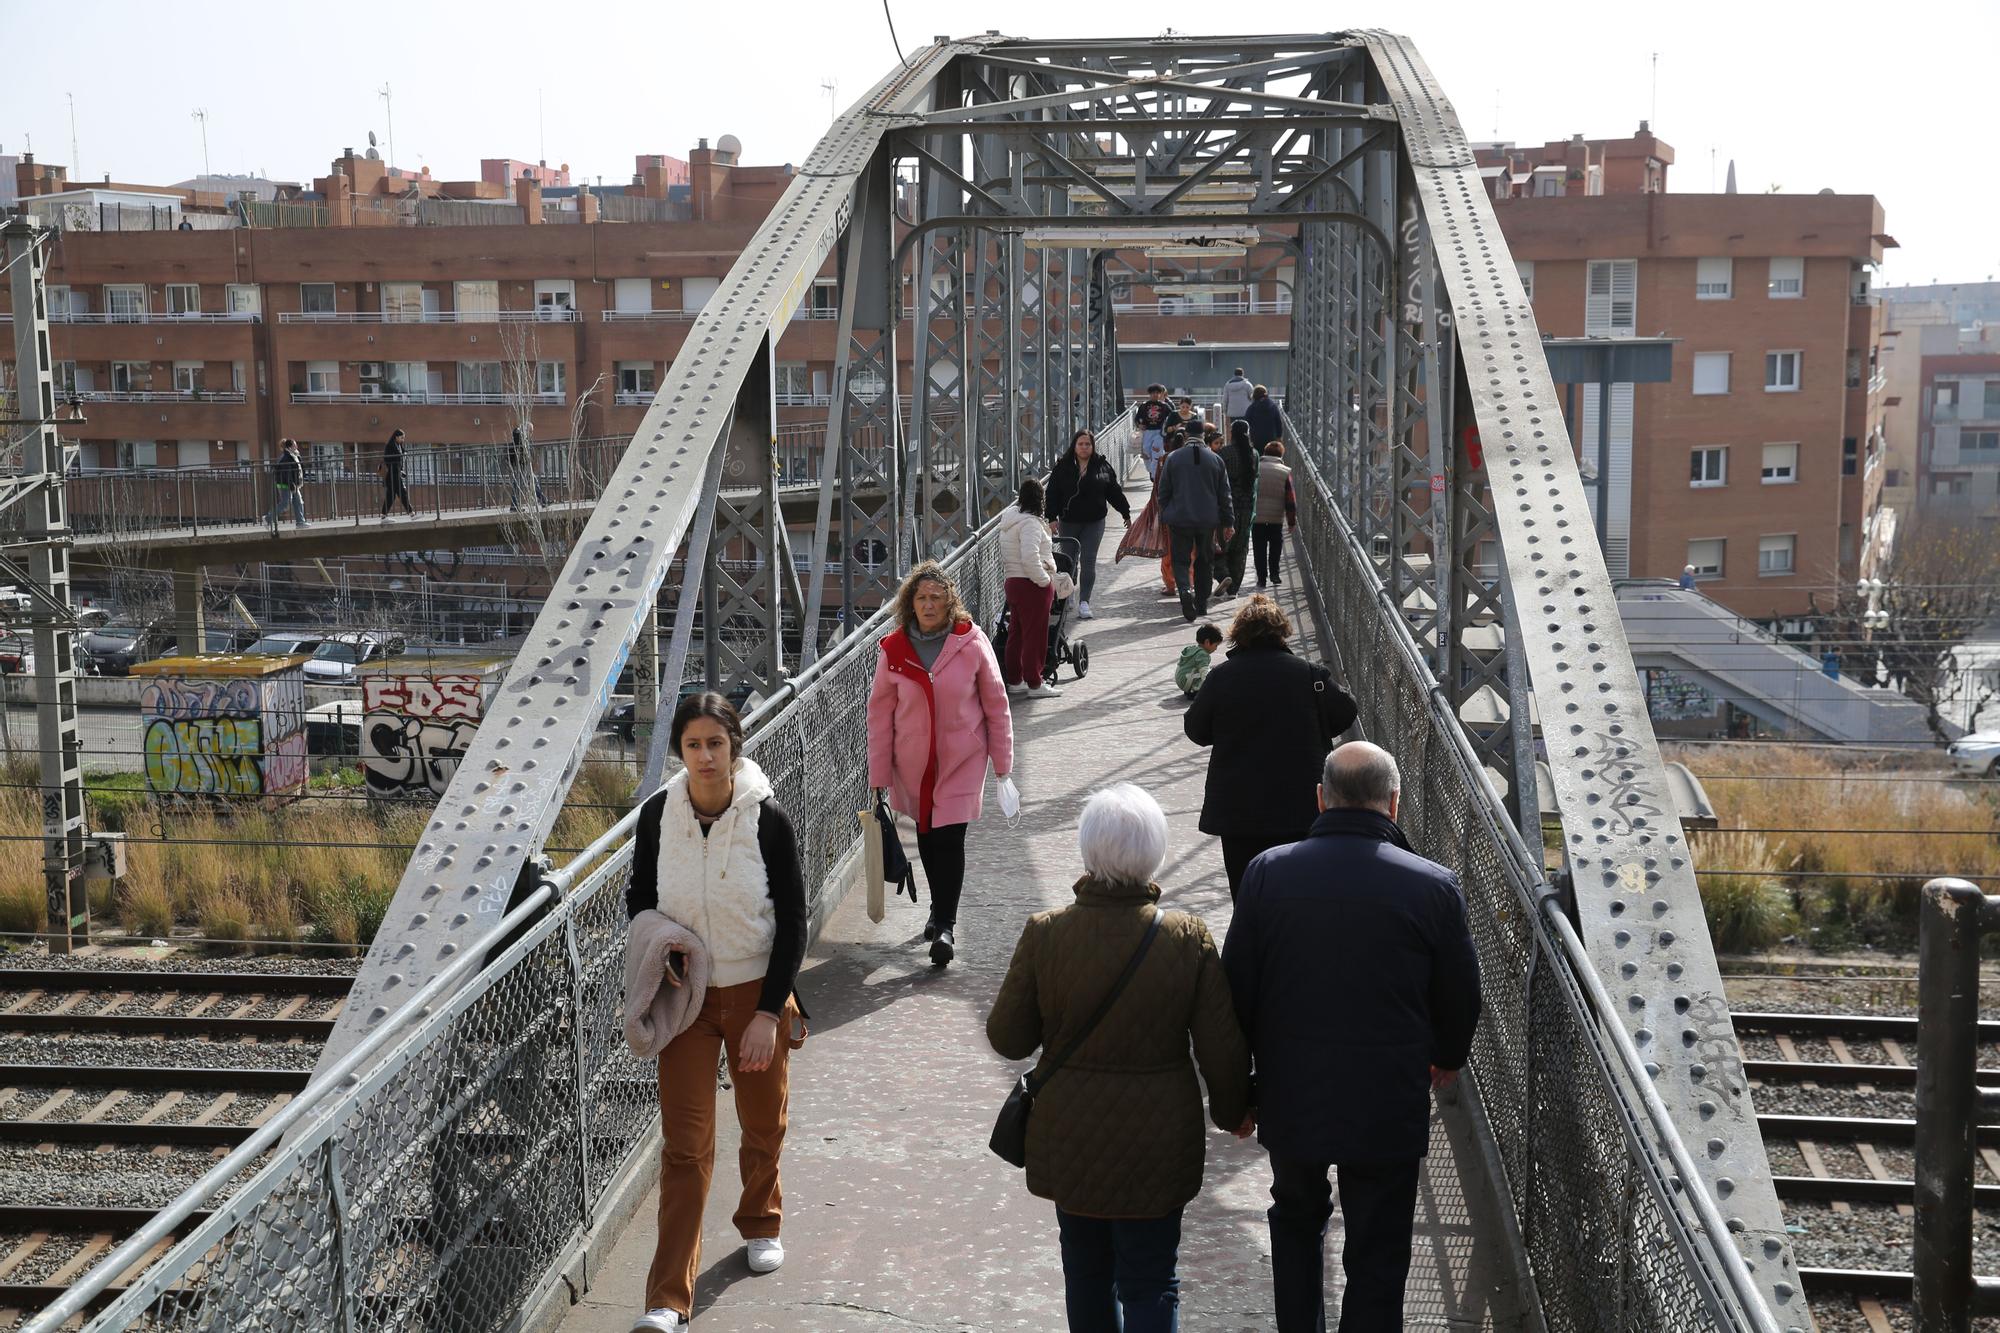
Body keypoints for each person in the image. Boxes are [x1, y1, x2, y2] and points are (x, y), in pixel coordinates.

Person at [1221, 742, 1481, 1333]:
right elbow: (1460, 991)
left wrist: (1237, 1092)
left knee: (1295, 1217)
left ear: (1320, 798)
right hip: (1387, 1096)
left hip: (1292, 1091)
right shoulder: (1435, 885)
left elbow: (1234, 991)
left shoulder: (1266, 873)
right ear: (1394, 803)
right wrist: (1445, 1055)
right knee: (1380, 1243)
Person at [987, 782, 1252, 1333]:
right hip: (1159, 1139)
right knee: (1153, 1279)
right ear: (1155, 852)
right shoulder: (1187, 938)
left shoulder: (1046, 933)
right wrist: (1233, 1112)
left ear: (1087, 850)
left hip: (1071, 1135)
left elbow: (1009, 1039)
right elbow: (1220, 1050)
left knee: (1086, 1273)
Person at [625, 693, 810, 1333]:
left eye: (716, 744)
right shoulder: (657, 818)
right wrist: (662, 952)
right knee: (686, 1146)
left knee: (762, 1122)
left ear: (735, 747)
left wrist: (767, 1012)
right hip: (689, 1000)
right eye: (693, 745)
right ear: (680, 749)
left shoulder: (768, 820)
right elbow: (640, 899)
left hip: (757, 993)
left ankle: (760, 1221)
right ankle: (668, 1297)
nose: (705, 757)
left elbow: (793, 922)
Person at [867, 561, 1015, 967]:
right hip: (913, 767)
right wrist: (879, 775)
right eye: (921, 598)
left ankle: (946, 924)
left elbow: (996, 705)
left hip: (962, 762)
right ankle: (937, 909)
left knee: (950, 839)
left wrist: (1003, 766)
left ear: (950, 601)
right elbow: (879, 715)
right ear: (909, 604)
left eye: (936, 597)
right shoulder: (893, 651)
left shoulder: (971, 642)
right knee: (929, 840)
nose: (929, 605)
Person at [1184, 595, 1357, 897]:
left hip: (1239, 813)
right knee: (1299, 896)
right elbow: (1345, 711)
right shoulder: (1310, 675)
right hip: (1301, 809)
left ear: (1238, 634)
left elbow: (1196, 730)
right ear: (1282, 631)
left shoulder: (1221, 678)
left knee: (1247, 895)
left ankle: (1251, 942)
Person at [1046, 427, 1131, 621]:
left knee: (1089, 560)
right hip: (1069, 521)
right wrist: (1051, 517)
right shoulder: (1062, 467)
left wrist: (1125, 513)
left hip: (1094, 521)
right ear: (1074, 447)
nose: (1084, 448)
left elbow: (1114, 492)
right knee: (1068, 561)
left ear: (1092, 446)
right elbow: (1051, 493)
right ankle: (1068, 594)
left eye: (1088, 444)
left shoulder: (1102, 466)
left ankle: (1085, 602)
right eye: (1081, 444)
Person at [1157, 421, 1234, 624]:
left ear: (1187, 433)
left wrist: (1166, 512)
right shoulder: (1216, 460)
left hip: (1180, 518)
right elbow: (1225, 495)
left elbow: (1163, 491)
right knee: (1204, 561)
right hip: (1208, 520)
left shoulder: (1173, 458)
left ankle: (1184, 589)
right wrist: (1228, 522)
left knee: (1180, 559)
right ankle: (1201, 604)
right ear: (1203, 435)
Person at [998, 477, 1063, 699]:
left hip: (1013, 581)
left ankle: (1015, 680)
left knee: (1016, 634)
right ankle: (1035, 683)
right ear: (1040, 500)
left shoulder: (1009, 521)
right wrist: (1045, 581)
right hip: (1031, 584)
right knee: (1035, 636)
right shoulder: (1031, 524)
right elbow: (1029, 556)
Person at [1213, 422, 1260, 600]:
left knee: (1220, 545)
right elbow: (1256, 481)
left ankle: (1223, 574)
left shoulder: (1224, 453)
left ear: (1231, 433)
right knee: (1240, 548)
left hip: (1227, 507)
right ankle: (1234, 590)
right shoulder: (1254, 454)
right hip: (1247, 507)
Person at [1253, 441, 1298, 588]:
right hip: (1276, 518)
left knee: (1259, 548)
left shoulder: (1256, 468)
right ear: (1281, 454)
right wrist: (1291, 521)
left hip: (1257, 517)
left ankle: (1261, 578)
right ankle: (1275, 574)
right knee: (1276, 546)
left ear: (1264, 452)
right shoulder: (1285, 471)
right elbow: (1290, 499)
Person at [1134, 385, 1174, 481]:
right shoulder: (1144, 406)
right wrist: (1139, 425)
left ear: (1161, 394)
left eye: (1157, 393)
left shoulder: (1164, 406)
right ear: (1149, 394)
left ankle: (1155, 475)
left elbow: (1173, 416)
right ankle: (1151, 471)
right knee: (1146, 452)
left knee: (1157, 452)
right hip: (1147, 432)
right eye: (1153, 393)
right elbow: (1136, 419)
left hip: (1159, 432)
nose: (1155, 395)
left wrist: (1170, 427)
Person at [265, 439, 307, 528]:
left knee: (299, 502)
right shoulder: (286, 457)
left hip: (294, 484)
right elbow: (286, 472)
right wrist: (291, 483)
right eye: (295, 445)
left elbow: (299, 468)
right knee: (285, 504)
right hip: (286, 484)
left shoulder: (295, 455)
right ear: (290, 446)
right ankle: (268, 518)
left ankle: (300, 522)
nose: (297, 447)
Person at [1176, 623, 1222, 697]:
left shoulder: (1192, 649)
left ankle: (1190, 688)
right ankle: (1194, 690)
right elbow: (1204, 673)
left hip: (1181, 680)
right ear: (1207, 642)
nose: (1216, 648)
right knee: (1212, 676)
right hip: (1186, 682)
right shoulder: (1202, 655)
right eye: (1216, 645)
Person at [380, 428, 414, 517]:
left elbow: (403, 452)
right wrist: (400, 457)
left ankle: (383, 515)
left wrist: (404, 454)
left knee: (391, 496)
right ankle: (411, 513)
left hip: (396, 473)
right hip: (392, 474)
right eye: (401, 438)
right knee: (402, 493)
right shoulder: (390, 446)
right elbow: (387, 459)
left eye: (404, 438)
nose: (403, 440)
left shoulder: (398, 445)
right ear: (396, 437)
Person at [1244, 384, 1284, 448]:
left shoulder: (1251, 408)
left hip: (1256, 438)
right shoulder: (1273, 406)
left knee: (1258, 455)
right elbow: (1278, 423)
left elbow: (1246, 422)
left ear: (1254, 395)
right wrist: (1279, 436)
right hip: (1271, 438)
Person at [1222, 367, 1254, 431]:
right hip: (1245, 412)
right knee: (1245, 429)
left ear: (1234, 374)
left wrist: (1225, 411)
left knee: (1234, 429)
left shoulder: (1227, 385)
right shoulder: (1247, 384)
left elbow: (1225, 399)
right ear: (1242, 374)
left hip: (1232, 413)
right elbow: (1253, 397)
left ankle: (1235, 440)